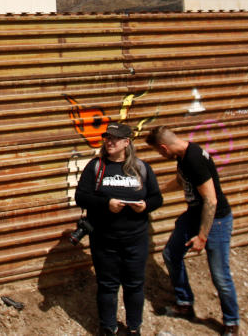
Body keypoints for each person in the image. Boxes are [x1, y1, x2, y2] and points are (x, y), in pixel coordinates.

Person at [145, 125, 240, 335]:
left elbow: (211, 200)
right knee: (171, 254)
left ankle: (231, 322)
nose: (161, 155)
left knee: (220, 275)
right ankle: (185, 303)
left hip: (216, 220)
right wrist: (155, 191)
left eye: (159, 152)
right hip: (194, 214)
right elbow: (181, 181)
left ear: (164, 146)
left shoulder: (194, 159)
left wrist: (202, 237)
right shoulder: (183, 155)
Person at [75, 122, 163, 336]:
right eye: (107, 137)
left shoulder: (141, 168)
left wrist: (145, 206)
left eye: (115, 138)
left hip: (135, 240)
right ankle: (108, 328)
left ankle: (134, 328)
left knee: (134, 285)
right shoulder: (96, 167)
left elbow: (156, 198)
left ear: (126, 142)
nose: (110, 141)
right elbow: (81, 197)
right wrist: (107, 204)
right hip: (104, 241)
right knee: (107, 285)